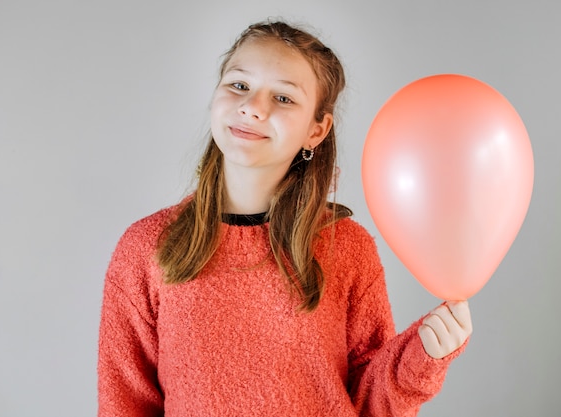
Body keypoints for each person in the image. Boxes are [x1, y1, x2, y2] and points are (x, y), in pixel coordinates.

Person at [97, 20, 472, 417]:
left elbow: (369, 401)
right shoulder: (145, 247)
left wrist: (417, 362)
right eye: (239, 85)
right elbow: (124, 401)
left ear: (316, 130)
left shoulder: (346, 247)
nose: (253, 107)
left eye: (283, 98)